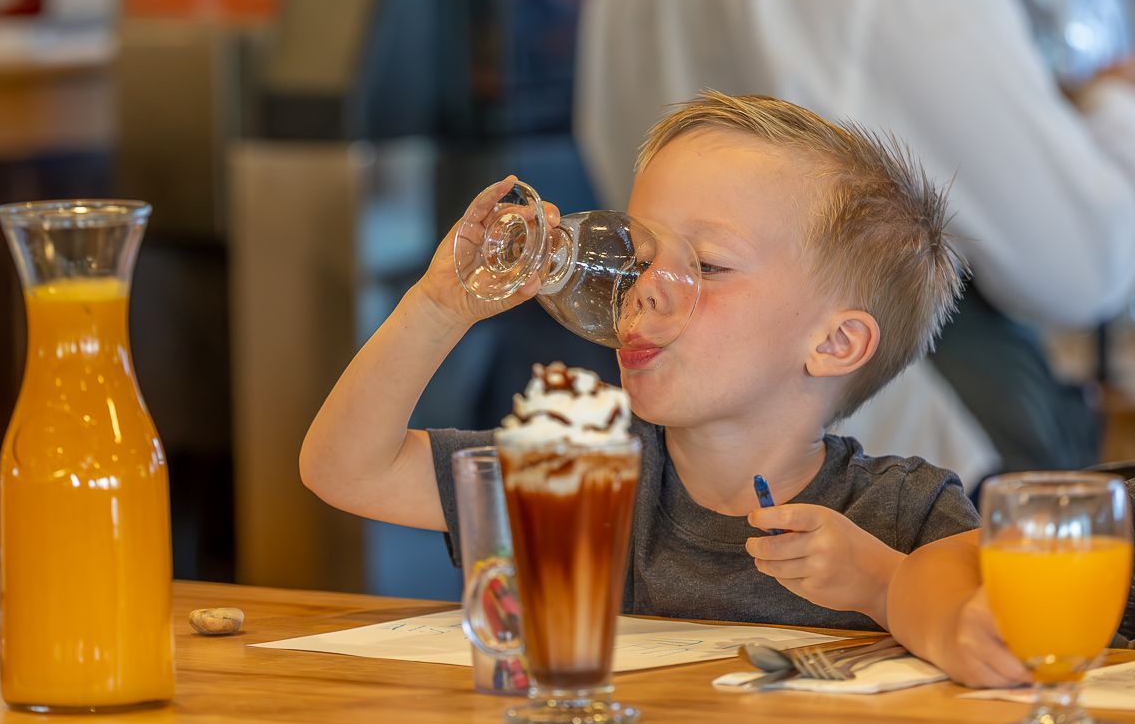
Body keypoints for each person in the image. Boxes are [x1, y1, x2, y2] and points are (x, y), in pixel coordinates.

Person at [300, 91, 978, 632]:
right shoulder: (579, 475)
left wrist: (885, 582)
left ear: (834, 345)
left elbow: (996, 640)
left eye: (708, 265)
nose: (645, 286)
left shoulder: (907, 512)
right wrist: (438, 307)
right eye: (639, 256)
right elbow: (347, 468)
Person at [575, 0, 1135, 483]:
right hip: (929, 435)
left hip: (874, 473)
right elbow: (1079, 267)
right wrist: (1114, 103)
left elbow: (602, 135)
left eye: (709, 263)